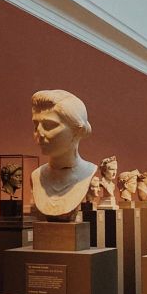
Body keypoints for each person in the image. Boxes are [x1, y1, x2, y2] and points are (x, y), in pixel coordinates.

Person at [29, 90, 96, 219]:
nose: (39, 133)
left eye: (49, 125)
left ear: (77, 131)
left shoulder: (89, 174)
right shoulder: (36, 176)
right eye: (36, 125)